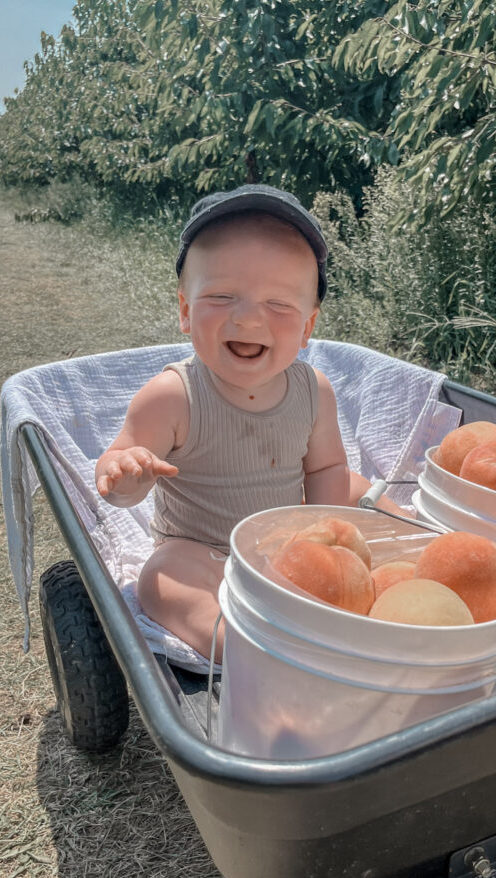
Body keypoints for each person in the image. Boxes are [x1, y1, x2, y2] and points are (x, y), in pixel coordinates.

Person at [96, 185, 387, 660]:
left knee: (354, 486)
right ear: (186, 313)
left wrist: (325, 529)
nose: (249, 319)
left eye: (278, 304)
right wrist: (126, 474)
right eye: (222, 295)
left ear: (308, 328)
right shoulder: (173, 396)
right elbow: (118, 469)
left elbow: (325, 471)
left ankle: (417, 531)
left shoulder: (315, 391)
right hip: (204, 550)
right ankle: (238, 645)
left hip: (290, 535)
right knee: (161, 579)